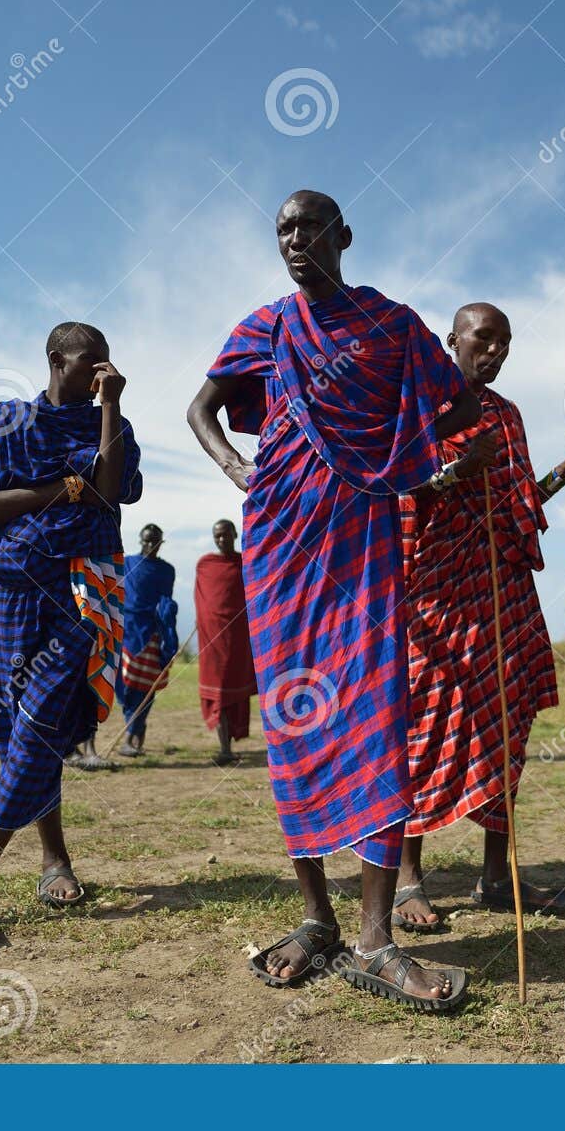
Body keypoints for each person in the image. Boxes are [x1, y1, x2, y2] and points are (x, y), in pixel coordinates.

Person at [187, 190, 480, 1012]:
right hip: (280, 542)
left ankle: (376, 936)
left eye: (308, 226)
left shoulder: (390, 325)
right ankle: (319, 918)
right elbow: (201, 408)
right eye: (282, 229)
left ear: (343, 236)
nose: (294, 239)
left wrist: (395, 452)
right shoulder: (267, 326)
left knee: (377, 713)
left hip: (362, 536)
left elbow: (455, 399)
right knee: (296, 722)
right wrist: (242, 473)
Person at [391, 302, 565, 933]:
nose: (496, 351)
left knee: (507, 728)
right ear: (452, 340)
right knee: (422, 729)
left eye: (505, 342)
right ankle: (405, 879)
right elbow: (398, 491)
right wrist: (457, 471)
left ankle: (495, 875)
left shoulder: (506, 415)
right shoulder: (420, 407)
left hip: (499, 594)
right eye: (484, 339)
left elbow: (523, 501)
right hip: (435, 598)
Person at [0, 321, 141, 942]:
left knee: (39, 726)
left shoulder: (113, 426)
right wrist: (59, 489)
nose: (100, 372)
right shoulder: (5, 421)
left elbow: (110, 495)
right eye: (89, 364)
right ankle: (55, 859)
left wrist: (109, 409)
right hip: (15, 593)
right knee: (16, 733)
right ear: (56, 360)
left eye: (107, 363)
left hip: (84, 594)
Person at [194, 518, 257, 766]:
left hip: (239, 639)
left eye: (226, 535)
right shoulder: (205, 565)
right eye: (217, 536)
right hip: (212, 640)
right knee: (218, 690)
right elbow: (203, 603)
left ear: (235, 534)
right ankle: (224, 748)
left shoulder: (246, 563)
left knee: (233, 689)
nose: (222, 540)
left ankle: (227, 744)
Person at [116, 523, 178, 758]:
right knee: (126, 688)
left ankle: (133, 737)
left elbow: (166, 602)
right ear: (140, 541)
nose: (150, 545)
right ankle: (135, 732)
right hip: (126, 633)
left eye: (155, 541)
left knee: (146, 688)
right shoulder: (126, 564)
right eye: (146, 541)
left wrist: (167, 616)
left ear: (161, 543)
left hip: (152, 634)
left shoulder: (166, 570)